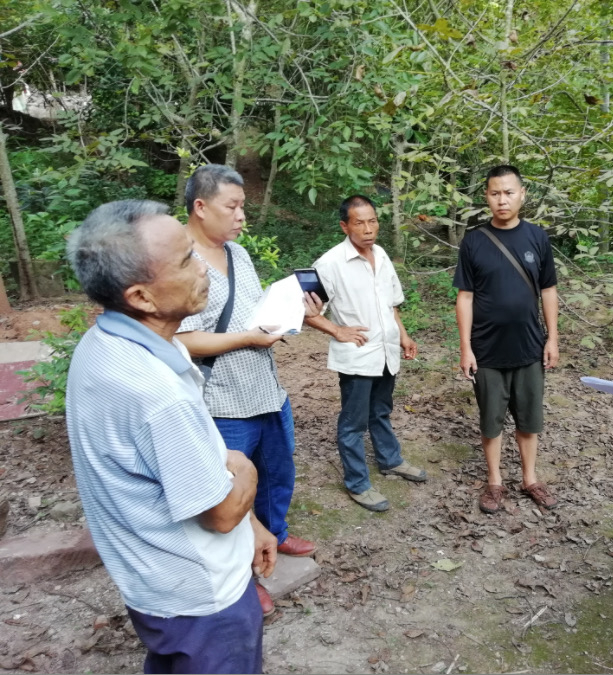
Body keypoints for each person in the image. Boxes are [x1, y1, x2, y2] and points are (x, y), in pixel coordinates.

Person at [66, 200, 276, 674]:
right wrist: (245, 467)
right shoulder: (155, 393)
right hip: (203, 601)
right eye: (186, 260)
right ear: (141, 297)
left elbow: (188, 460)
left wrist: (252, 525)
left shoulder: (108, 345)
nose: (203, 267)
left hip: (155, 588)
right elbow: (221, 513)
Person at [176, 164, 318, 615]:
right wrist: (249, 338)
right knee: (231, 490)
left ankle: (276, 534)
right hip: (221, 397)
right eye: (232, 207)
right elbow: (182, 339)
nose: (241, 216)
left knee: (277, 471)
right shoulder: (179, 262)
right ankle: (242, 573)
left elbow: (254, 313)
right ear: (201, 207)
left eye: (243, 207)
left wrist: (291, 314)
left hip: (264, 387)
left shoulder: (237, 254)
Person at [304, 195, 426, 512]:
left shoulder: (381, 255)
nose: (368, 229)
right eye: (359, 222)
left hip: (386, 351)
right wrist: (337, 330)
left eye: (372, 221)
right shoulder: (330, 264)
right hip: (357, 356)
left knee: (381, 410)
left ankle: (390, 460)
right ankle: (357, 483)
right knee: (353, 423)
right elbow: (306, 310)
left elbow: (391, 304)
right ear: (345, 226)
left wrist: (403, 334)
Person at [453, 165, 560, 514]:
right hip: (486, 349)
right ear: (486, 196)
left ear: (522, 194)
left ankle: (530, 479)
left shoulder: (537, 238)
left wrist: (552, 338)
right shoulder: (474, 241)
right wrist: (466, 348)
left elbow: (548, 290)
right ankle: (495, 481)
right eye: (495, 193)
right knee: (491, 421)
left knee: (529, 420)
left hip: (529, 346)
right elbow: (465, 297)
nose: (502, 200)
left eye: (509, 192)